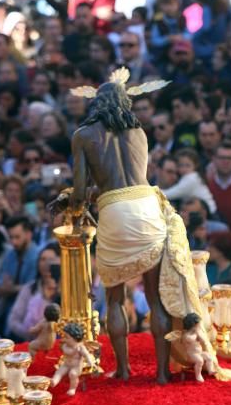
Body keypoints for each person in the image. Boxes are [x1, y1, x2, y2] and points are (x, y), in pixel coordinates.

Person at [69, 72, 222, 385]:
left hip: (112, 209)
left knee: (115, 298)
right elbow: (135, 175)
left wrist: (71, 204)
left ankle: (123, 370)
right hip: (146, 206)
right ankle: (162, 373)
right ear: (126, 102)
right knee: (155, 298)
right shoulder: (138, 131)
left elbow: (81, 190)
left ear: (96, 104)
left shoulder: (83, 135)